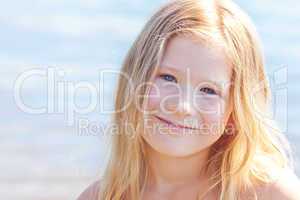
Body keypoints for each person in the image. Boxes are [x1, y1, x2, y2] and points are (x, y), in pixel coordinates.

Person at [77, 0, 300, 199]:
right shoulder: (102, 196)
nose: (182, 106)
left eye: (209, 91)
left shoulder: (270, 193)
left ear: (235, 111)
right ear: (134, 81)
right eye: (168, 78)